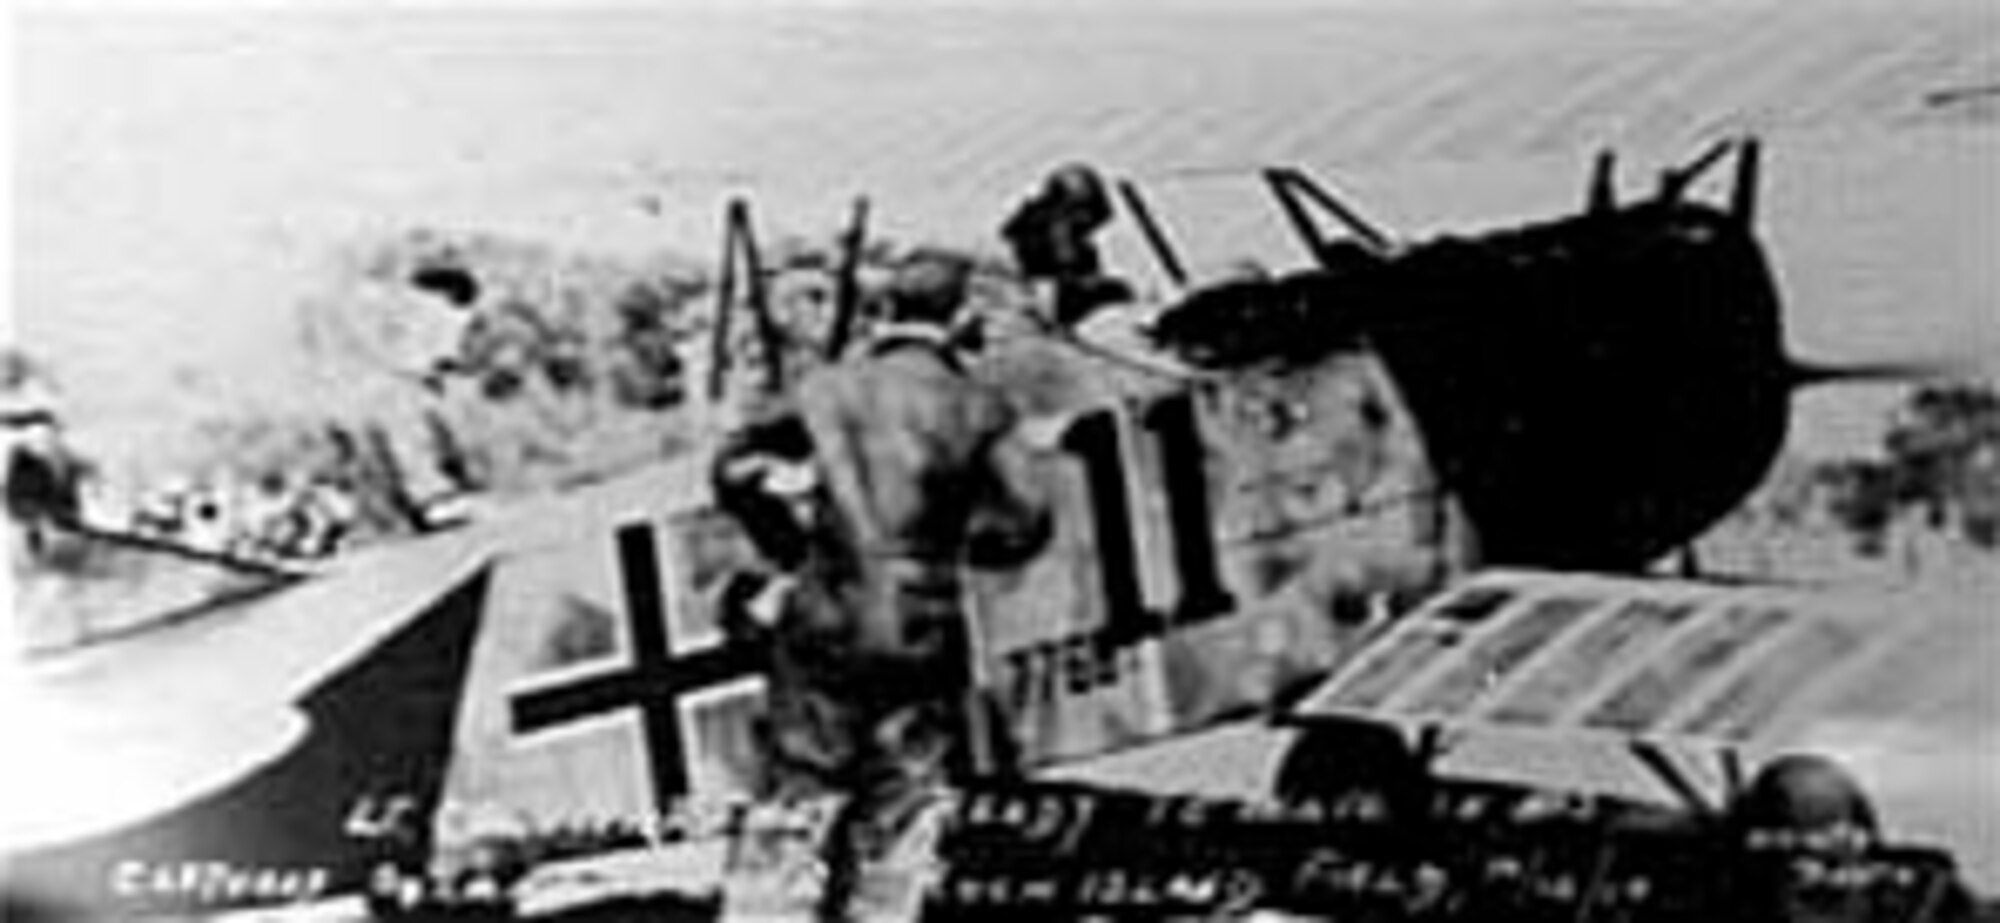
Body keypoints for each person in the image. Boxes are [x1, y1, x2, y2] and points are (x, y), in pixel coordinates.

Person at [712, 248, 1054, 921]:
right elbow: (1026, 524)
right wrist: (952, 551)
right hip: (922, 626)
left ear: (889, 310)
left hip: (824, 614)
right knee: (902, 820)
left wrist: (788, 545)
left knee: (792, 807)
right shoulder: (979, 406)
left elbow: (732, 469)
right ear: (957, 319)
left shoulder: (826, 388)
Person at [1000, 163, 1133, 329]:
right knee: (1117, 293)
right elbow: (1062, 267)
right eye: (1084, 215)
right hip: (1048, 295)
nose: (1087, 223)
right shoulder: (1054, 225)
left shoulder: (1039, 222)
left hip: (1045, 292)